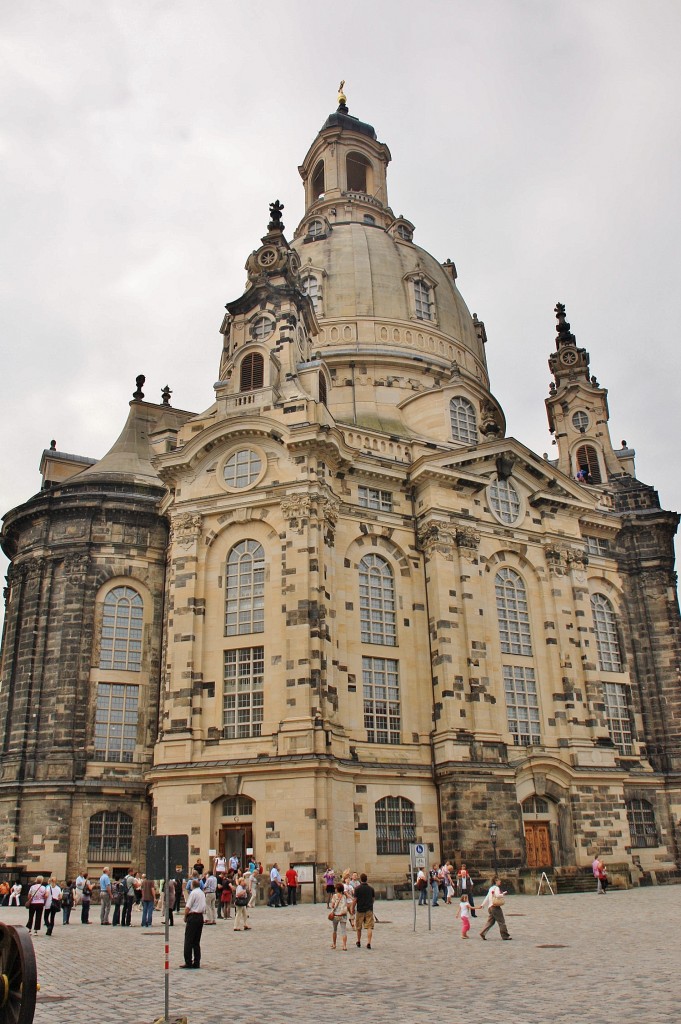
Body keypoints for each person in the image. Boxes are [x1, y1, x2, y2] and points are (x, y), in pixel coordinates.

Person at [182, 879, 206, 969]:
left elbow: (188, 906)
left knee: (188, 940)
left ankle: (188, 961)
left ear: (192, 885)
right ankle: (197, 961)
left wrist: (185, 916)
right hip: (200, 917)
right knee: (196, 941)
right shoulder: (202, 893)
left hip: (193, 916)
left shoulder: (193, 893)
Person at [354, 873, 375, 950]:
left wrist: (352, 908)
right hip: (369, 910)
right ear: (367, 879)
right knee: (369, 927)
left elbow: (355, 900)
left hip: (360, 910)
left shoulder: (357, 889)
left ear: (360, 879)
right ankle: (369, 942)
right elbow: (373, 899)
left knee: (359, 927)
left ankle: (359, 941)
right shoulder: (371, 889)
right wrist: (370, 904)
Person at [330, 881, 349, 950]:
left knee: (334, 930)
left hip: (335, 915)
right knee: (343, 931)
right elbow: (346, 905)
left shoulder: (334, 896)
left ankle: (334, 944)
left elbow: (332, 905)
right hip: (343, 915)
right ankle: (344, 946)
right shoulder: (344, 896)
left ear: (337, 889)